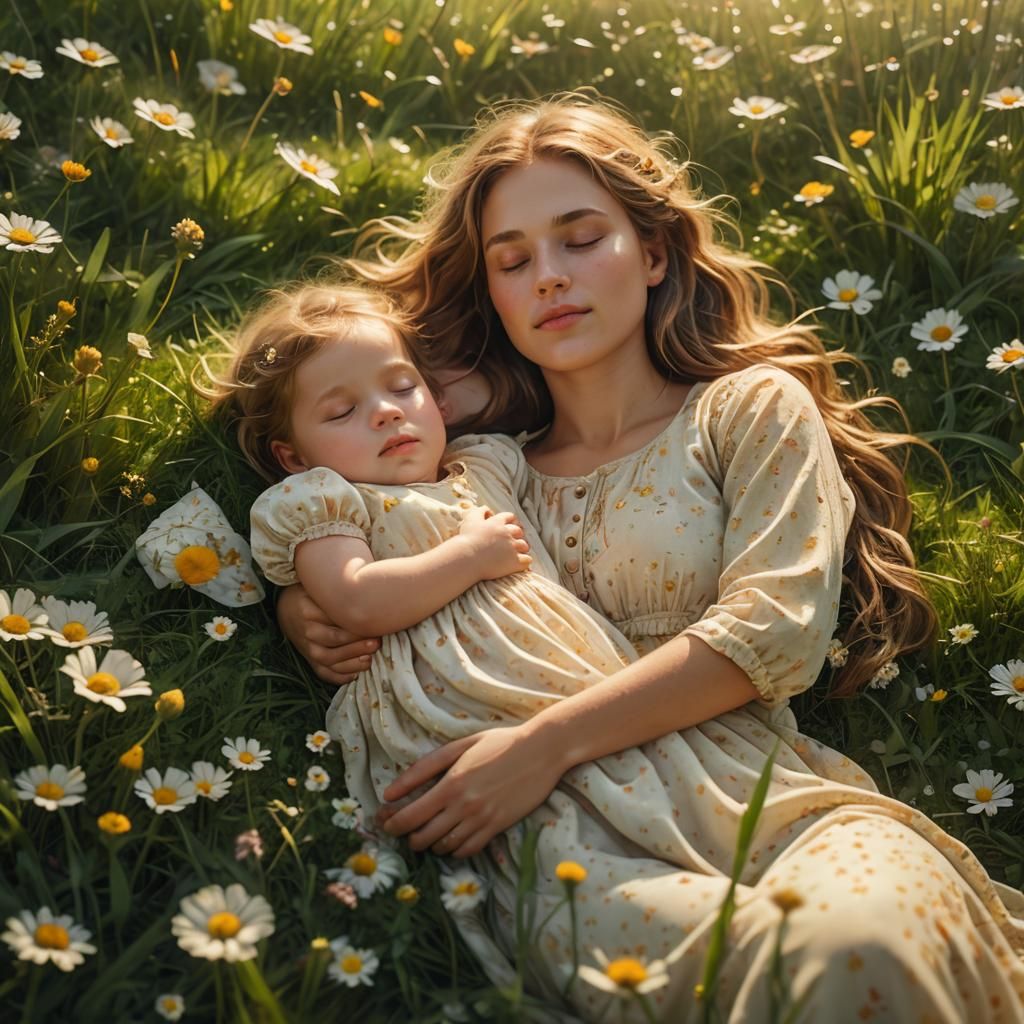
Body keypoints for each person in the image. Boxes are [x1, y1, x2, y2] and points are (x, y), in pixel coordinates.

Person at [273, 96, 1024, 1022]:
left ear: (655, 253)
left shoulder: (745, 410)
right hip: (560, 847)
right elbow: (346, 507)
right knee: (772, 973)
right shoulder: (474, 468)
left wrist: (542, 745)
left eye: (581, 239)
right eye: (512, 261)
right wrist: (311, 608)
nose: (548, 277)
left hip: (765, 804)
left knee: (855, 944)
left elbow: (774, 635)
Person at [208, 280, 650, 837]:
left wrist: (431, 397)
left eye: (401, 387)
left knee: (641, 794)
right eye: (342, 411)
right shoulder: (326, 500)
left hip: (574, 688)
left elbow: (516, 388)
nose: (386, 414)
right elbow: (358, 599)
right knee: (562, 837)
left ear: (438, 399)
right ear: (293, 456)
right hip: (450, 713)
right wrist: (467, 557)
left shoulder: (484, 463)